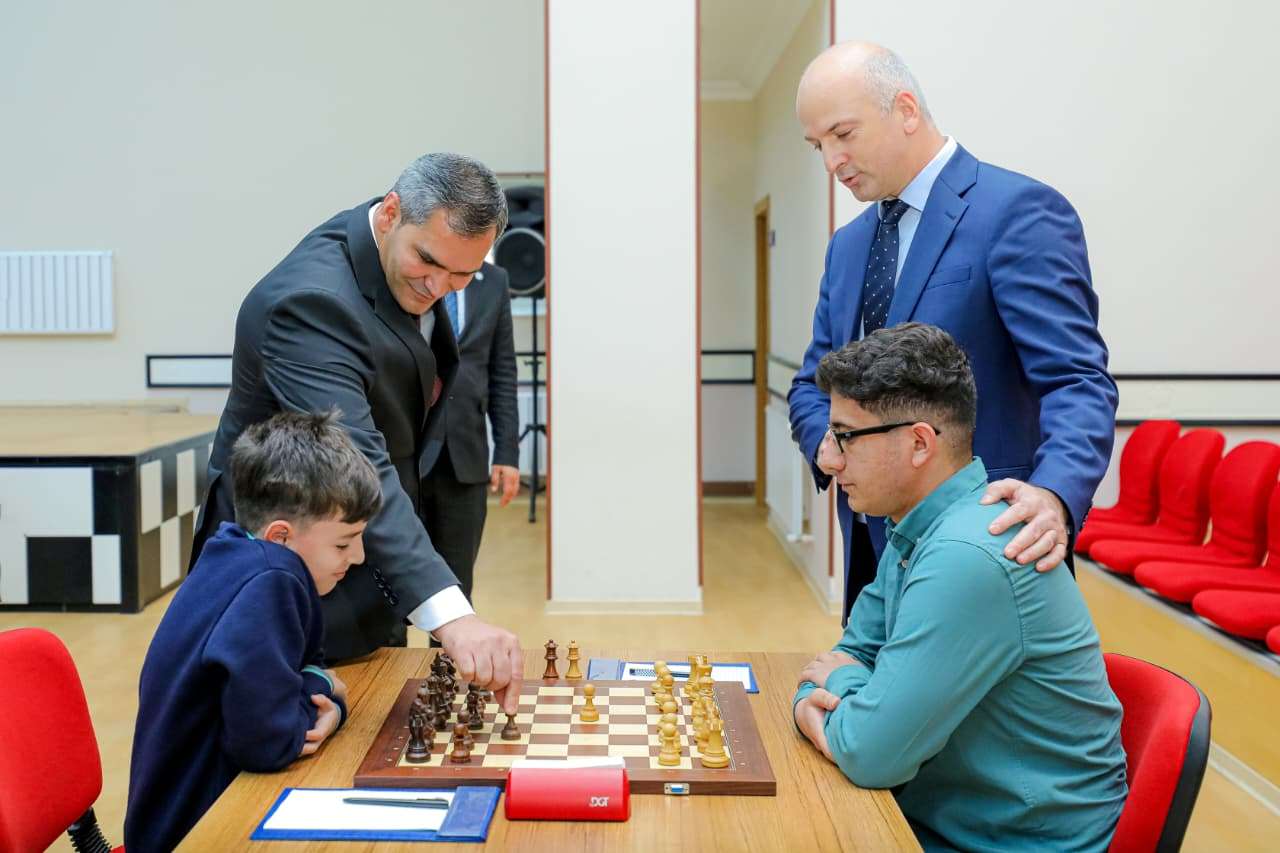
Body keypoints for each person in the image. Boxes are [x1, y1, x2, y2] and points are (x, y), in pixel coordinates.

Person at [788, 43, 1118, 617]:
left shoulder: (1016, 212)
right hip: (872, 551)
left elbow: (1076, 380)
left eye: (843, 134)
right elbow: (811, 386)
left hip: (988, 547)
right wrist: (829, 441)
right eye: (819, 145)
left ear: (906, 110)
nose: (832, 162)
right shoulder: (848, 246)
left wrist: (1054, 494)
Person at [191, 152, 523, 707]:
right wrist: (453, 617)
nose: (438, 286)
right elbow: (359, 459)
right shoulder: (310, 303)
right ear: (390, 213)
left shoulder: (399, 259)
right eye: (428, 261)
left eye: (461, 275)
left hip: (362, 553)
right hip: (287, 571)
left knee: (369, 719)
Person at [793, 324, 1127, 851]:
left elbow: (869, 751)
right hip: (949, 814)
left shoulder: (967, 554)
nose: (831, 459)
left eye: (846, 436)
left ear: (919, 443)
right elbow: (848, 653)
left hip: (1011, 843)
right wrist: (838, 691)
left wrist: (839, 687)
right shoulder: (921, 524)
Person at [126, 410, 379, 853]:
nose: (357, 556)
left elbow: (301, 670)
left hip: (194, 812)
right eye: (343, 542)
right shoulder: (272, 581)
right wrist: (330, 696)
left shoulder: (233, 552)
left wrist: (312, 683)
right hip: (198, 831)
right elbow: (269, 742)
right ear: (280, 537)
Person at [422, 258, 520, 602]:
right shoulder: (420, 271)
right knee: (392, 589)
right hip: (408, 453)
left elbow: (502, 371)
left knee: (457, 588)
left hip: (466, 457)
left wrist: (507, 452)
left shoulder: (494, 281)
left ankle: (450, 642)